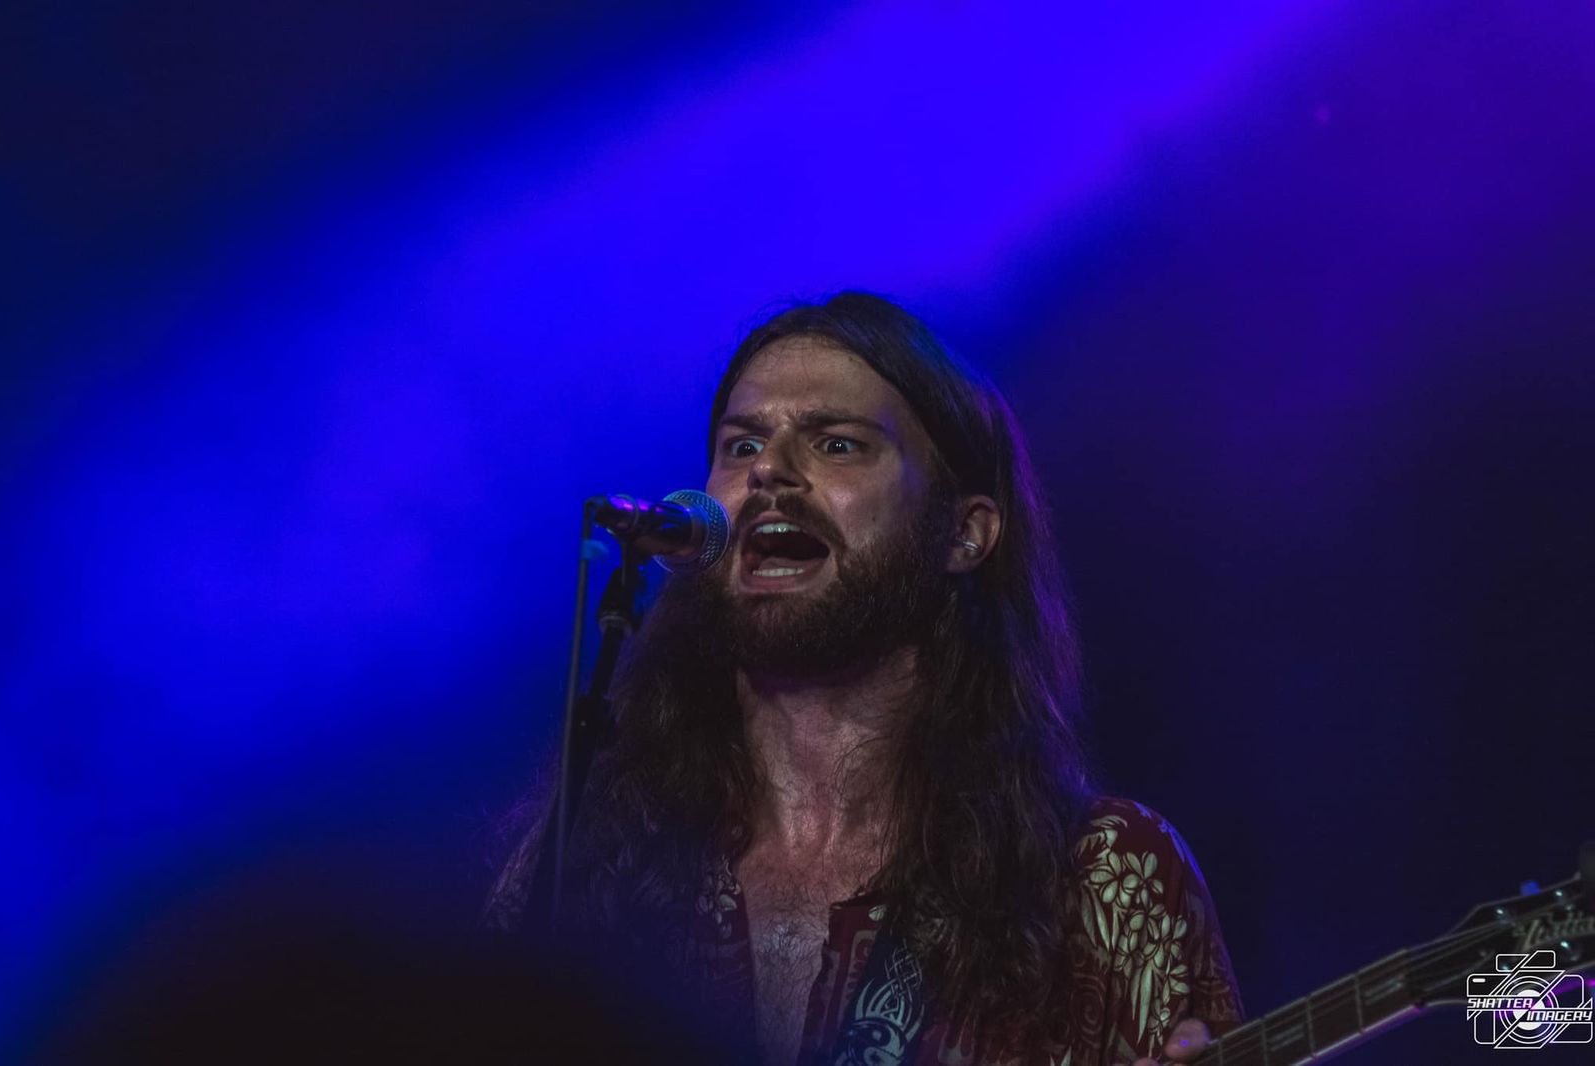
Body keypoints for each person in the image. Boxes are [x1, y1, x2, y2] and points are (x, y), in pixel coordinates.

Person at [487, 292, 1243, 1065]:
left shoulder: (1105, 877)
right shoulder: (585, 859)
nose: (769, 471)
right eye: (741, 446)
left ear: (964, 533)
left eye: (837, 445)